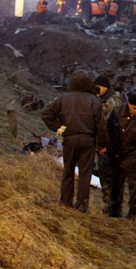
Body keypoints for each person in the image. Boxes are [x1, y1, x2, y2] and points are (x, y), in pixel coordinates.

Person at [40, 69, 108, 213]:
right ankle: (82, 205)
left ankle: (65, 202)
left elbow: (46, 113)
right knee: (85, 174)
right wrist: (102, 144)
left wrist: (58, 128)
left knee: (68, 171)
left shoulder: (63, 98)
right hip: (88, 141)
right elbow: (101, 127)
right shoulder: (95, 101)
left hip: (70, 139)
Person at [106, 90, 136, 221]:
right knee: (116, 184)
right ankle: (114, 211)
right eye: (134, 108)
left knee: (133, 186)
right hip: (116, 155)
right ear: (128, 104)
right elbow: (108, 131)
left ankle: (132, 212)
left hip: (134, 157)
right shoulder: (116, 112)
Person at [93, 75, 124, 213]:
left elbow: (108, 125)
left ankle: (111, 207)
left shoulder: (112, 101)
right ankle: (109, 205)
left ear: (105, 87)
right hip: (105, 143)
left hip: (110, 145)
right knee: (104, 175)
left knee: (108, 176)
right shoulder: (105, 99)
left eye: (97, 87)